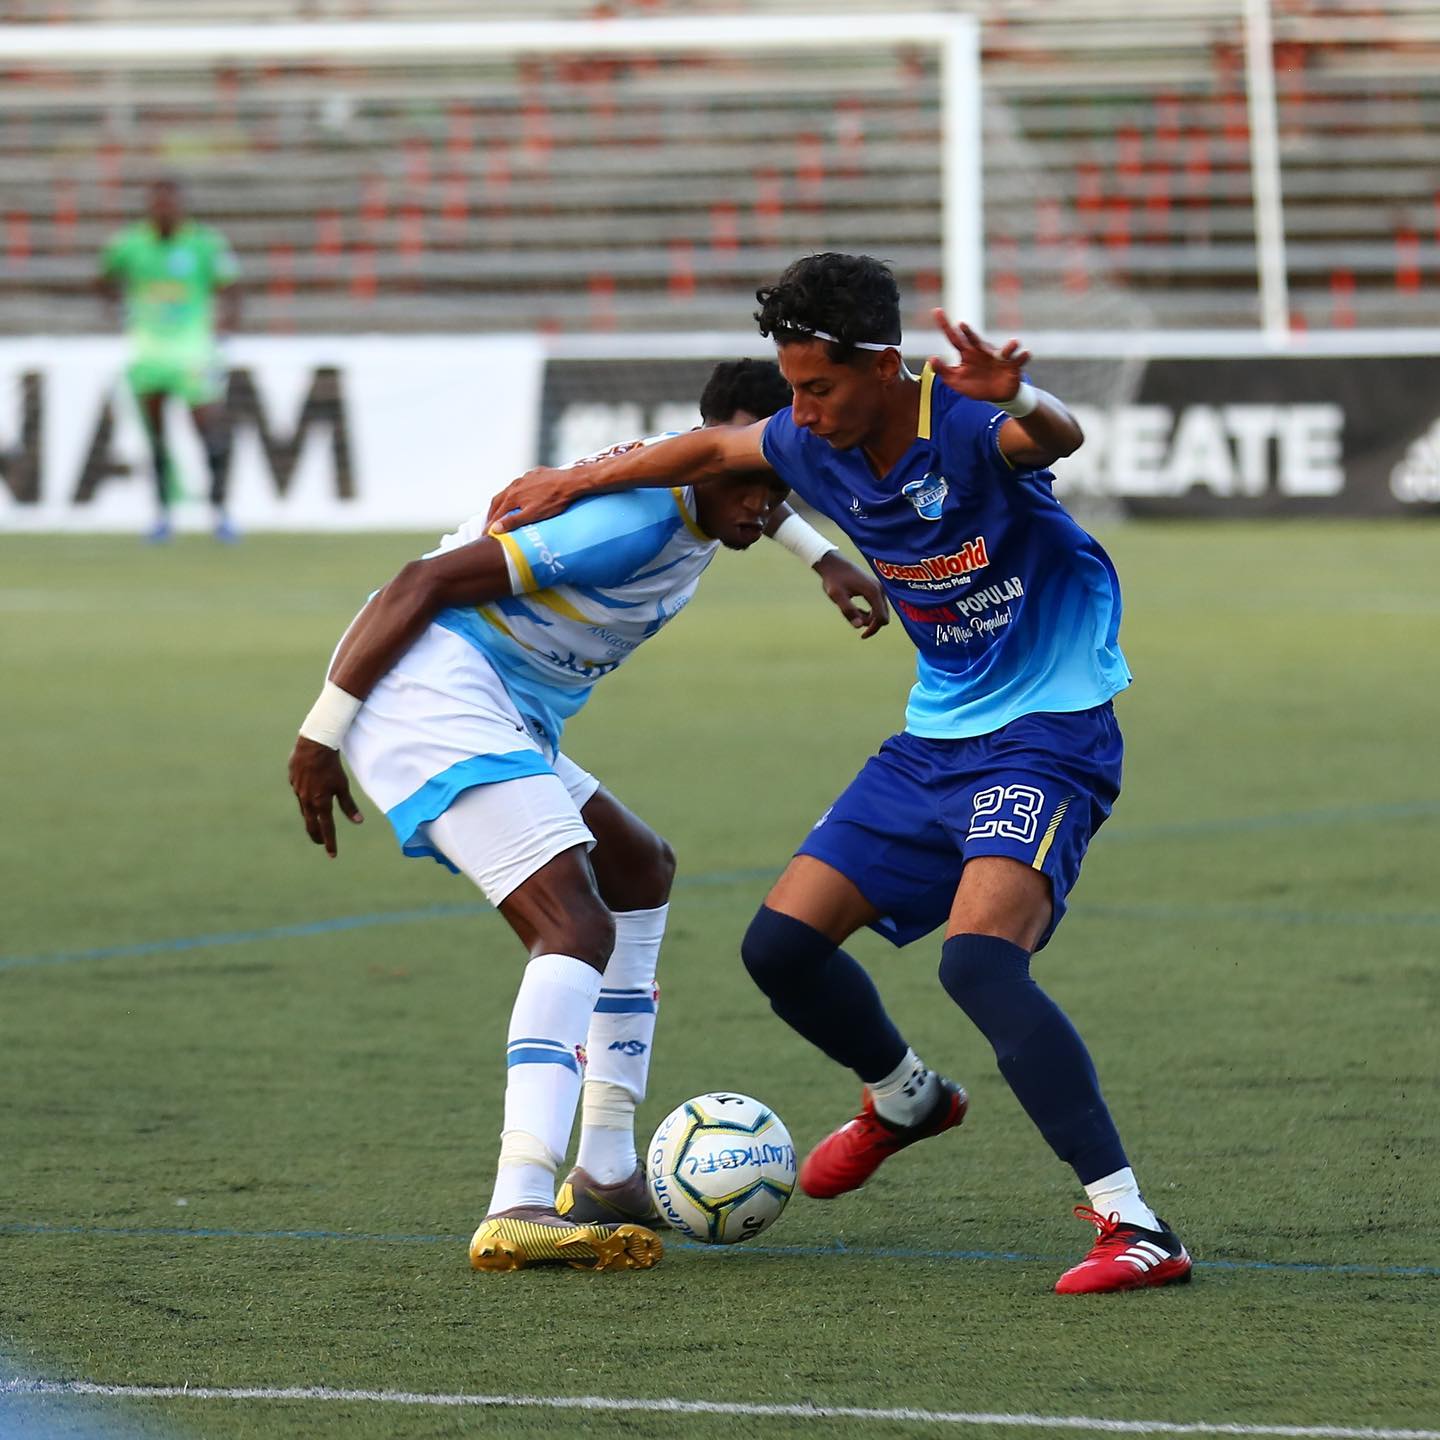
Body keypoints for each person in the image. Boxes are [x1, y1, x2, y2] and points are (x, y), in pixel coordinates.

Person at [486, 253, 1193, 1296]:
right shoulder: (809, 440)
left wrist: (1022, 395)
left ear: (885, 366)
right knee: (779, 947)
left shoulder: (962, 422)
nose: (800, 412)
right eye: (793, 386)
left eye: (818, 386)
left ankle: (1135, 1224)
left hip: (1049, 730)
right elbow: (716, 445)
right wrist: (573, 478)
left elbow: (1052, 438)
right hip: (934, 738)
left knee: (979, 965)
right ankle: (906, 1096)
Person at [287, 359, 888, 1274]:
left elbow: (752, 497)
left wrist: (824, 557)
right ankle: (519, 1199)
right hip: (427, 690)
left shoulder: (712, 494)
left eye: (784, 486)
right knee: (573, 923)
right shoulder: (627, 519)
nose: (766, 507)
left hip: (503, 705)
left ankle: (606, 1168)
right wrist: (321, 736)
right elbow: (419, 583)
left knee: (640, 867)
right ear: (704, 456)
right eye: (755, 484)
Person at [98, 177, 241, 543]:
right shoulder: (130, 244)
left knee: (208, 432)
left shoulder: (204, 243)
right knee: (157, 439)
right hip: (149, 351)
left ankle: (219, 511)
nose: (164, 208)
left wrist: (226, 326)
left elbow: (230, 286)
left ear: (181, 205)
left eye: (170, 202)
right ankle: (163, 515)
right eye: (157, 202)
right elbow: (104, 278)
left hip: (193, 349)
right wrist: (117, 311)